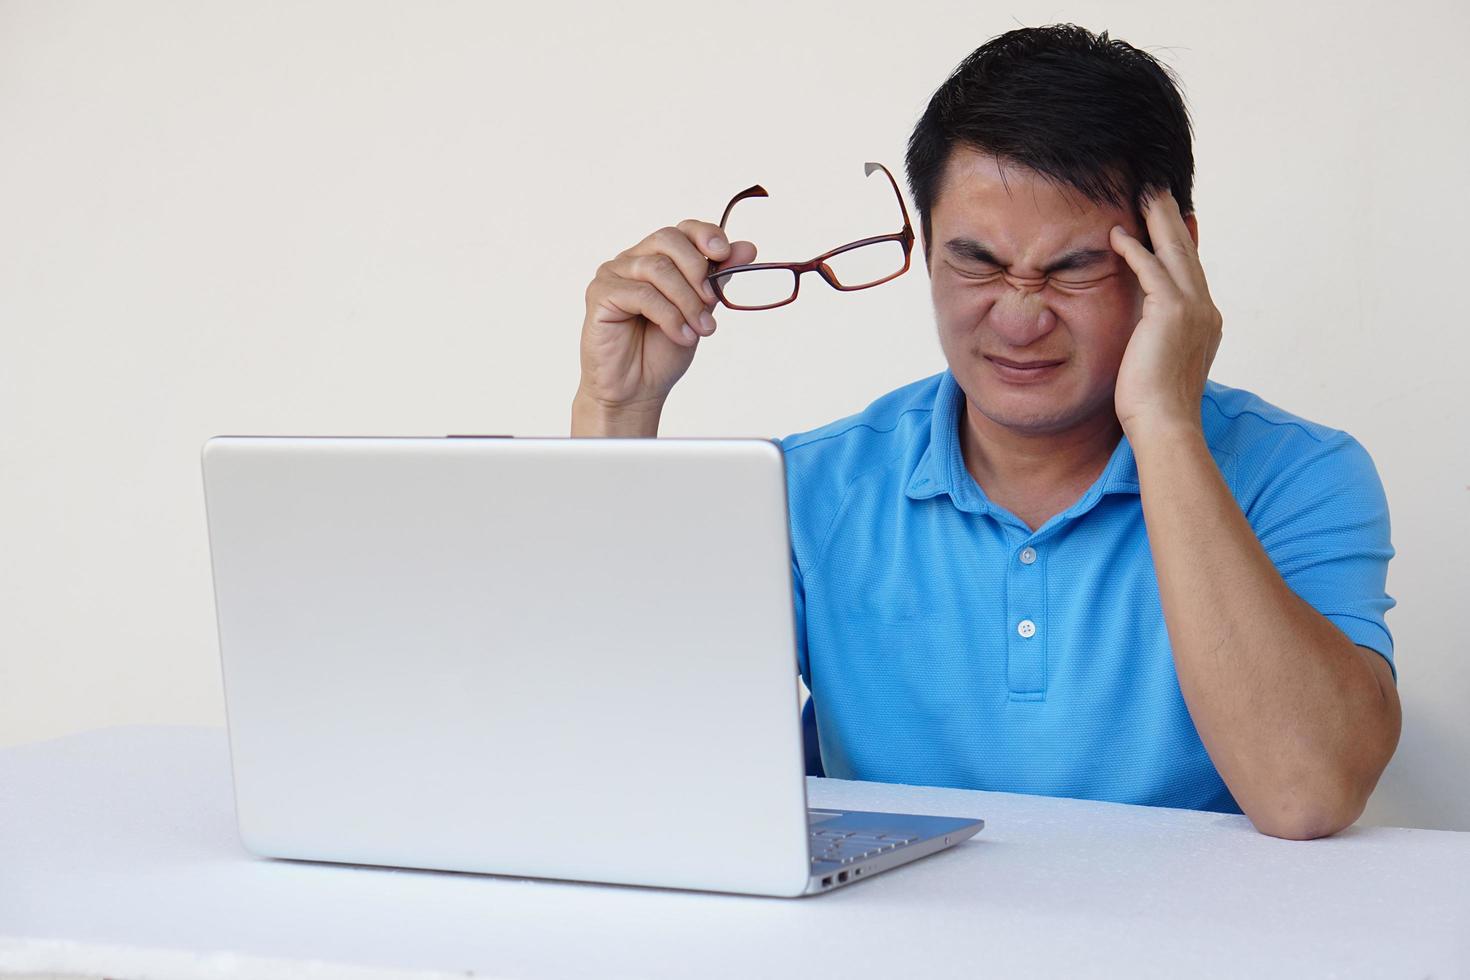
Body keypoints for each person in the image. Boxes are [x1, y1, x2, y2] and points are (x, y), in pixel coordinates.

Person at [569, 24, 1399, 840]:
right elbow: (623, 743)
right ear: (925, 250)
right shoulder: (809, 486)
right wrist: (617, 411)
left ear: (1174, 254)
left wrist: (1165, 424)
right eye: (977, 262)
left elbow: (1306, 795)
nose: (1019, 316)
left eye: (1072, 267)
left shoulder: (1301, 475)